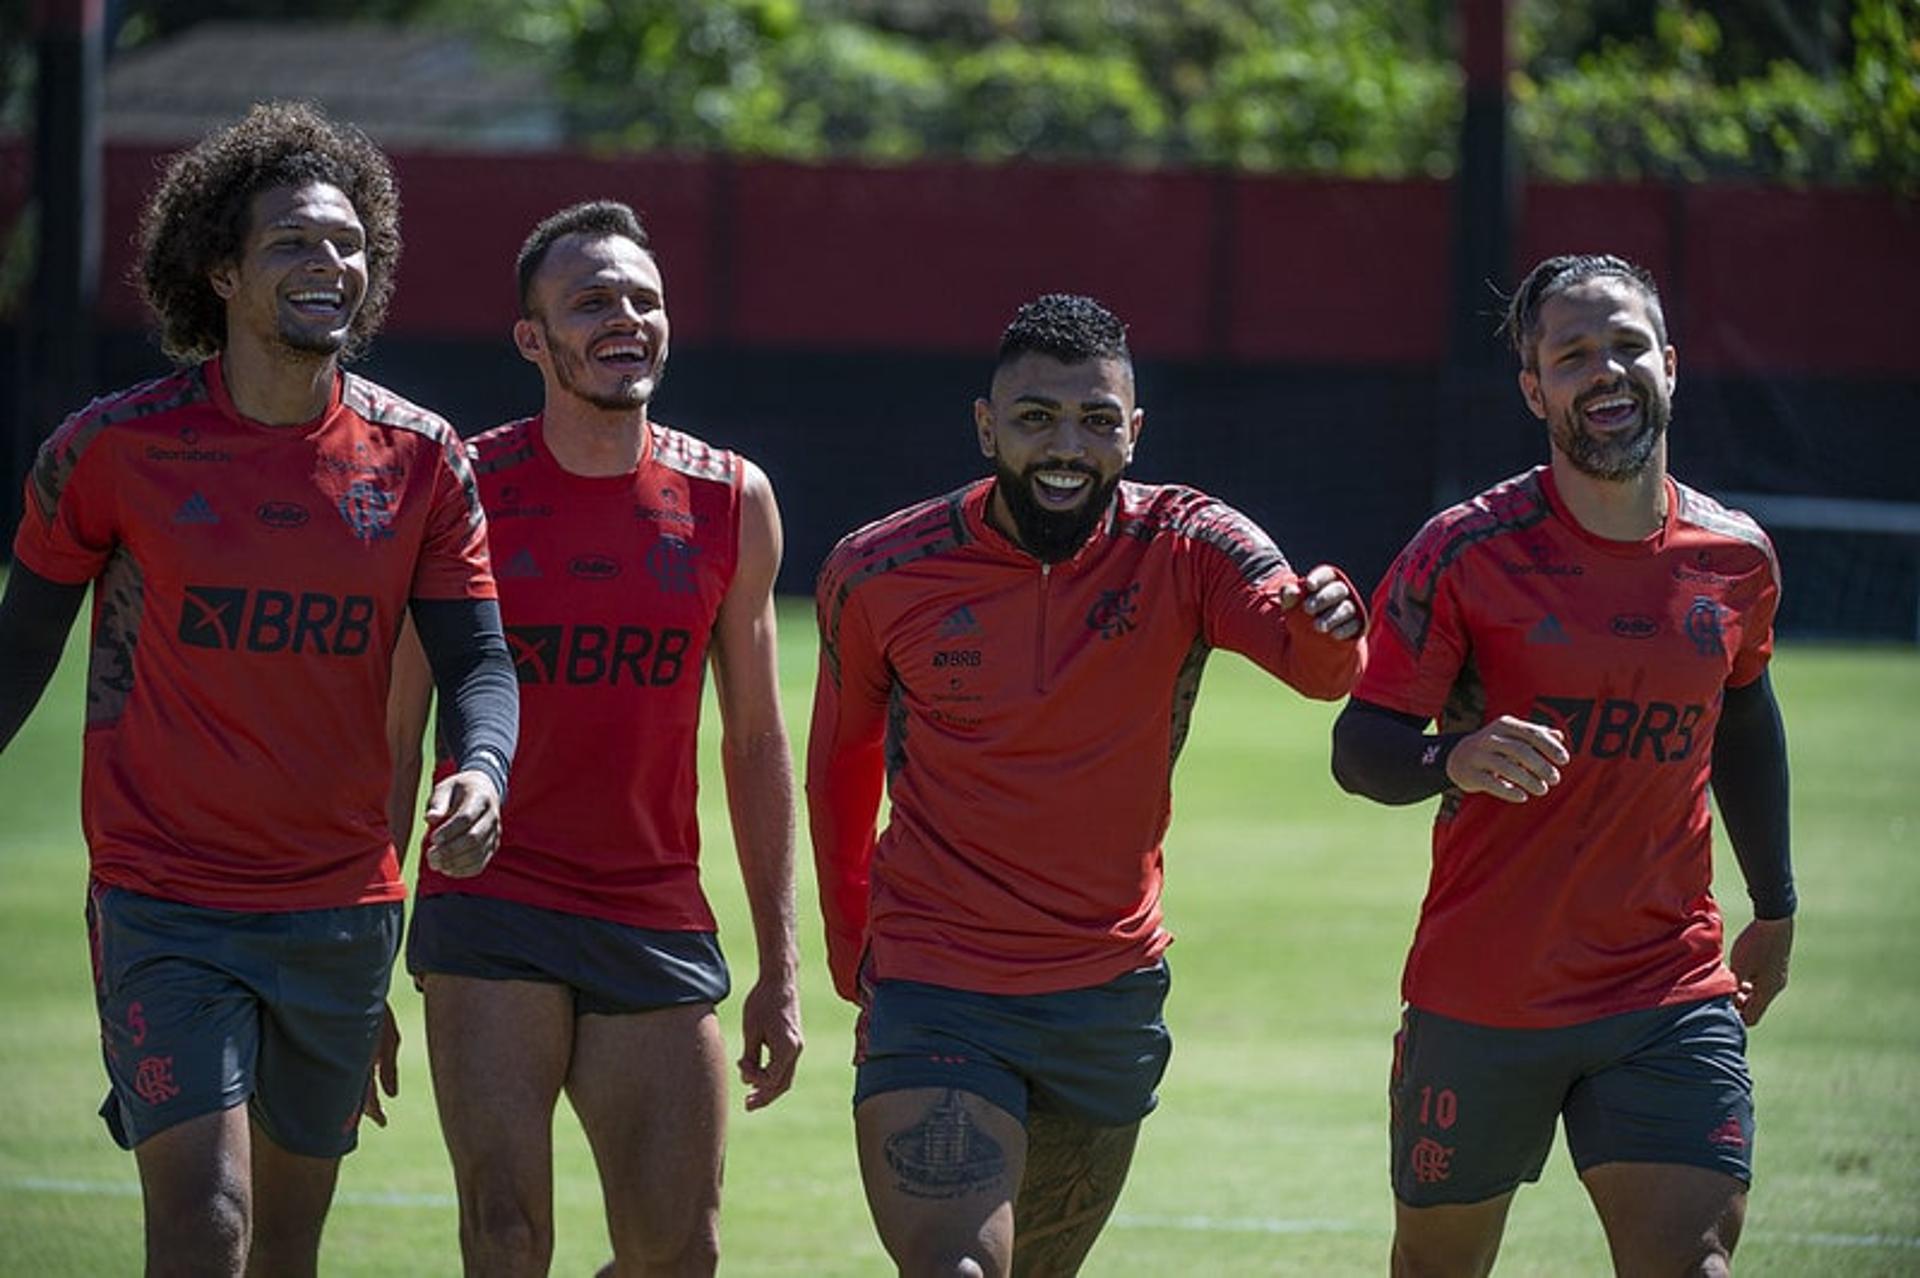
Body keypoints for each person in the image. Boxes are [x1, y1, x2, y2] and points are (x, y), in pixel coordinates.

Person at [0, 102, 517, 1277]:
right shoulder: (111, 451)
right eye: (292, 242)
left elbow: (481, 661)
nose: (328, 262)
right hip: (163, 899)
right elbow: (19, 645)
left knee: (284, 1245)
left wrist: (479, 768)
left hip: (340, 907)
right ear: (221, 271)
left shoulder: (427, 460)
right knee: (208, 1221)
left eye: (347, 244)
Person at [807, 292, 1366, 1277]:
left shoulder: (1190, 543)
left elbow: (1315, 667)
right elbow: (842, 763)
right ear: (986, 427)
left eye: (1097, 420)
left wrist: (1331, 626)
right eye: (1035, 418)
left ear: (1134, 431)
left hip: (1105, 995)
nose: (1067, 446)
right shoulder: (880, 569)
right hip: (937, 984)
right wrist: (854, 942)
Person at [1331, 253, 1796, 1277]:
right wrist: (1455, 756)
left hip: (1665, 985)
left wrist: (1778, 900)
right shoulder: (1462, 551)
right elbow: (1359, 750)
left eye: (1627, 345)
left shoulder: (1736, 557)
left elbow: (1747, 715)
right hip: (1485, 995)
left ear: (1669, 364)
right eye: (1573, 354)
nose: (1607, 371)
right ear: (1534, 387)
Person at [386, 199, 803, 1277]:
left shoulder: (730, 499)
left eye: (644, 300)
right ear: (533, 338)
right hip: (490, 906)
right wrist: (364, 962)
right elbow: (392, 733)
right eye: (591, 302)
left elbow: (755, 741)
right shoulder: (460, 488)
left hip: (652, 909)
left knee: (679, 1252)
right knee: (507, 1236)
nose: (626, 318)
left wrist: (780, 964)